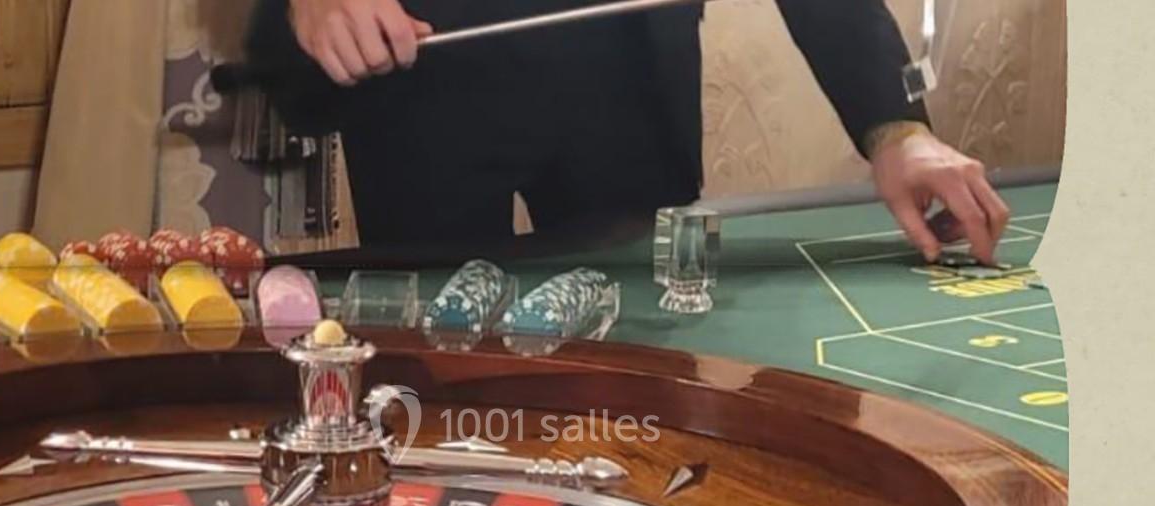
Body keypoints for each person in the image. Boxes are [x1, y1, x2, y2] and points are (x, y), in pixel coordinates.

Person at [245, 0, 1009, 264]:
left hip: (630, 82)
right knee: (435, 388)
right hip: (421, 82)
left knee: (653, 367)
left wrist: (896, 127)